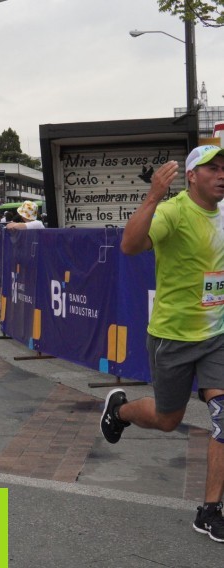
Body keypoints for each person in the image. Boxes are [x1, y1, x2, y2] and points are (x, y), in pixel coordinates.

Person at [103, 145, 224, 542]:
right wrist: (153, 196)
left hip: (217, 336)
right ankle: (120, 411)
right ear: (191, 176)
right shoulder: (174, 211)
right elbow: (129, 245)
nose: (221, 174)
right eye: (212, 168)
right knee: (167, 419)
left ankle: (210, 510)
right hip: (173, 336)